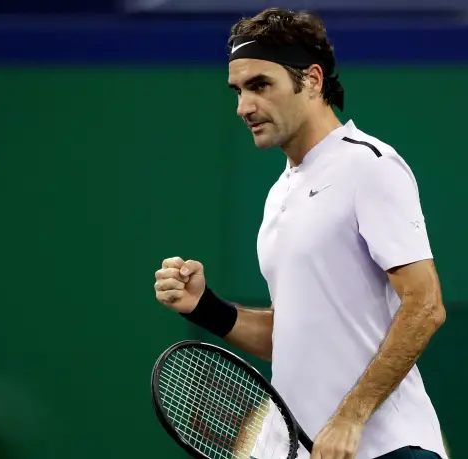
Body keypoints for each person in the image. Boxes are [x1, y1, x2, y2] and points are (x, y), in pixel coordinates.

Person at [153, 7, 448, 459]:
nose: (243, 106)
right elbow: (289, 336)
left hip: (389, 448)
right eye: (237, 90)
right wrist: (205, 307)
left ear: (311, 79)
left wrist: (350, 417)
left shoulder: (369, 165)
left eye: (260, 85)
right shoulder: (281, 193)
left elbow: (425, 306)